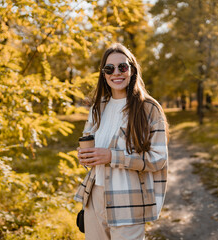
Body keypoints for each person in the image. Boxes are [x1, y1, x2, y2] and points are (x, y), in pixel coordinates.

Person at [74, 43, 169, 240]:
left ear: (132, 70)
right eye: (109, 69)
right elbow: (88, 150)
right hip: (94, 197)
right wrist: (85, 156)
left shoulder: (149, 109)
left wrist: (111, 156)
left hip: (129, 200)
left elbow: (158, 159)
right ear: (103, 74)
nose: (116, 73)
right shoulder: (97, 109)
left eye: (122, 67)